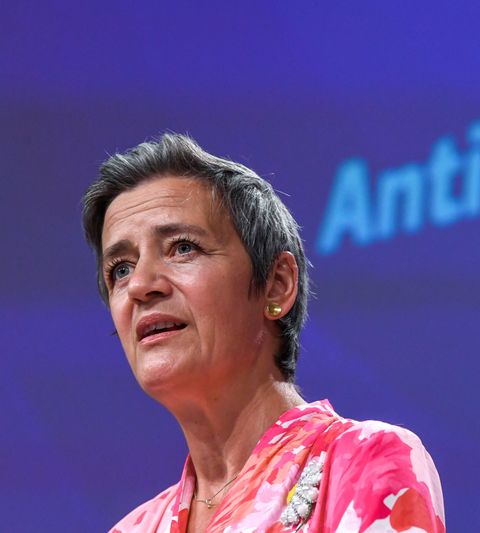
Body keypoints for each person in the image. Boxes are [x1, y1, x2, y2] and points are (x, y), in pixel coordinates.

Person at [81, 134, 445, 533]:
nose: (140, 285)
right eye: (120, 269)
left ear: (277, 285)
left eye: (183, 248)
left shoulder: (364, 461)